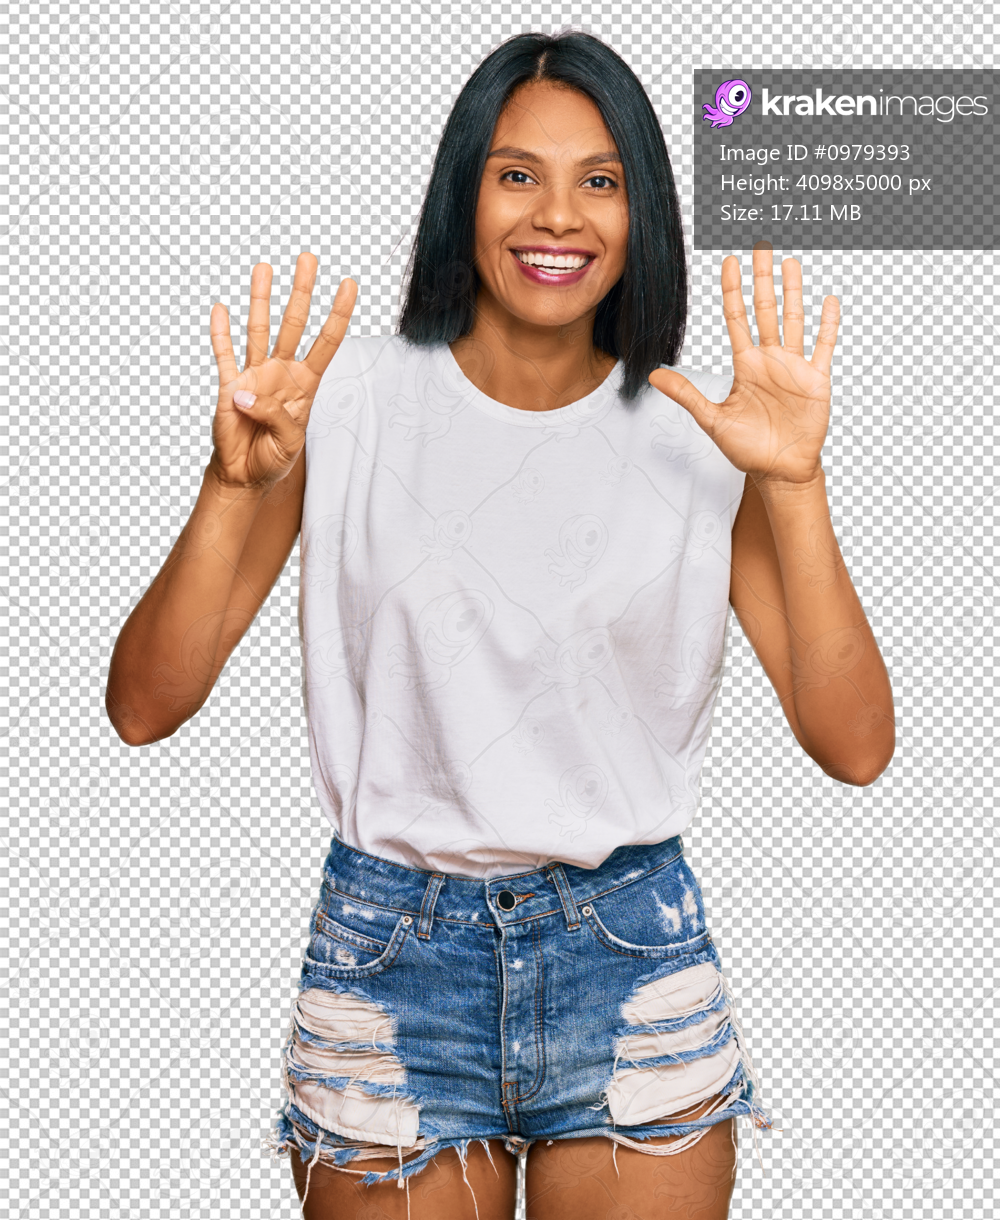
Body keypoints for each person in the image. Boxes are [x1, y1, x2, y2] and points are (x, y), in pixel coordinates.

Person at [105, 30, 894, 1220]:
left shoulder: (698, 432)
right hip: (392, 958)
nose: (557, 216)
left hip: (628, 956)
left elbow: (856, 744)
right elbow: (143, 705)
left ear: (644, 212)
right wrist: (230, 490)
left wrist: (792, 485)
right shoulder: (345, 402)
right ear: (462, 189)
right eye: (517, 173)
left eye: (602, 179)